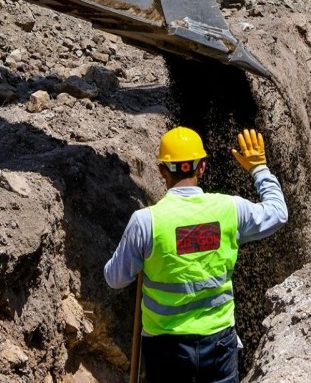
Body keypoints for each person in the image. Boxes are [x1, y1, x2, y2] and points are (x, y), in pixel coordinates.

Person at [105, 127, 288, 383]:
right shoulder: (229, 209)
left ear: (161, 170)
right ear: (202, 167)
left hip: (165, 348)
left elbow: (114, 279)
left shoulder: (146, 222)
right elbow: (278, 213)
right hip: (219, 343)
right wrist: (259, 169)